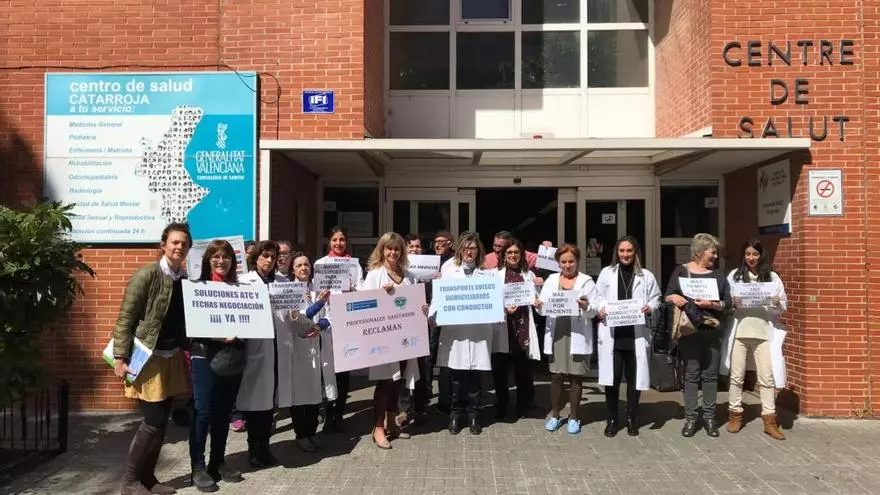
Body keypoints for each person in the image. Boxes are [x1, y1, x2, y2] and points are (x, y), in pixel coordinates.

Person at [113, 223, 192, 495]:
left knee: (161, 420)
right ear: (163, 245)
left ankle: (147, 478)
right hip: (147, 357)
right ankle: (130, 481)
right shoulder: (146, 274)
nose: (179, 246)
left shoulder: (184, 280)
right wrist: (120, 357)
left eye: (184, 243)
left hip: (171, 355)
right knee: (153, 420)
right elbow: (126, 316)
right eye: (174, 242)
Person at [188, 240, 245, 491]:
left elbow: (250, 322)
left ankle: (217, 462)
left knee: (223, 413)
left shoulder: (240, 290)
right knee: (203, 412)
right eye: (216, 257)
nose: (221, 261)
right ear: (208, 260)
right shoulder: (197, 288)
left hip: (230, 358)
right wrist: (216, 336)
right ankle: (197, 467)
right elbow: (191, 328)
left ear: (233, 261)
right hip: (204, 356)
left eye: (226, 257)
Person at [665, 233, 732, 438]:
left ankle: (710, 417)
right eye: (712, 252)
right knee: (691, 374)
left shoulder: (718, 275)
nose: (715, 256)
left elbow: (728, 303)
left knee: (710, 375)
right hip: (689, 331)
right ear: (699, 252)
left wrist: (712, 304)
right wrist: (674, 297)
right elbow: (667, 295)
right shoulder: (681, 271)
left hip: (712, 331)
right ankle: (691, 418)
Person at [363, 232, 425, 448]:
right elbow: (365, 305)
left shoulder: (409, 276)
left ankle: (391, 423)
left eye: (397, 249)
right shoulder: (374, 276)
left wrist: (422, 308)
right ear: (382, 250)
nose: (393, 252)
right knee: (385, 382)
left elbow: (415, 303)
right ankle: (378, 428)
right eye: (389, 248)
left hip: (405, 338)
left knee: (398, 381)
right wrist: (382, 296)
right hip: (383, 337)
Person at [432, 232, 498, 435]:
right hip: (456, 332)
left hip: (478, 332)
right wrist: (433, 315)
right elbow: (438, 298)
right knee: (456, 377)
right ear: (459, 250)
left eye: (473, 248)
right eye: (466, 248)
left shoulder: (488, 274)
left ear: (479, 251)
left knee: (475, 377)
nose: (469, 252)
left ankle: (473, 415)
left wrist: (499, 311)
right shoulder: (449, 270)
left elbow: (496, 301)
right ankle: (455, 415)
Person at [594, 236, 661, 437]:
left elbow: (656, 298)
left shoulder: (646, 276)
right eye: (622, 251)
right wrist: (600, 309)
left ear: (635, 252)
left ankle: (632, 418)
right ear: (617, 252)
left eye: (629, 251)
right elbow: (598, 297)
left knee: (634, 380)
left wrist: (650, 307)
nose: (625, 254)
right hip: (613, 336)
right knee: (612, 380)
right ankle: (612, 419)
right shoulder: (607, 273)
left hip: (635, 336)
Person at [723, 238, 788, 440]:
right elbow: (726, 304)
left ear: (761, 255)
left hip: (763, 333)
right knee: (736, 376)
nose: (751, 258)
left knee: (766, 378)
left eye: (755, 254)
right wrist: (732, 303)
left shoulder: (772, 277)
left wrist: (776, 303)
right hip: (740, 332)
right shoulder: (735, 276)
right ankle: (735, 414)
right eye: (748, 254)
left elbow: (782, 306)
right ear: (744, 255)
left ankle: (769, 419)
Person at [236, 240, 292, 468]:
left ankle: (265, 447)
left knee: (270, 403)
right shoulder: (243, 282)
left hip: (279, 347)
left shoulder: (283, 282)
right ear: (256, 258)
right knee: (255, 403)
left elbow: (292, 314)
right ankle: (254, 448)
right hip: (256, 348)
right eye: (264, 256)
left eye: (273, 256)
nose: (269, 260)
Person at [538, 243, 598, 435]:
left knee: (576, 376)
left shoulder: (587, 281)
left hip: (577, 333)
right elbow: (542, 308)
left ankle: (573, 417)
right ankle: (555, 415)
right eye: (563, 262)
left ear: (577, 261)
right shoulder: (551, 280)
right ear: (558, 263)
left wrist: (586, 307)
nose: (567, 265)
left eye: (571, 261)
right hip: (557, 332)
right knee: (556, 375)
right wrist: (538, 304)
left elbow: (595, 310)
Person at [314, 226, 364, 433]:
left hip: (347, 322)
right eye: (335, 240)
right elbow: (314, 294)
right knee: (326, 369)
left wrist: (352, 288)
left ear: (346, 242)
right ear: (329, 242)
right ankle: (326, 411)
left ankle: (338, 413)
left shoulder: (354, 264)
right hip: (327, 323)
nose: (338, 243)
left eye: (342, 239)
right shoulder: (321, 264)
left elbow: (362, 289)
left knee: (343, 371)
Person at [286, 251, 336, 451]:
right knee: (300, 395)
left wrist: (320, 326)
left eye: (306, 264)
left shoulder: (318, 289)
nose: (303, 268)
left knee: (315, 395)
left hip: (316, 346)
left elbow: (330, 314)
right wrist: (318, 304)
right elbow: (296, 318)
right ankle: (301, 435)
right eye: (299, 265)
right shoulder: (289, 291)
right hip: (298, 349)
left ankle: (312, 432)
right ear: (293, 270)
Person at [492, 237, 541, 419]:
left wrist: (538, 301)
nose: (513, 255)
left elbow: (539, 302)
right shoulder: (494, 275)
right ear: (503, 255)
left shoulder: (529, 275)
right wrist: (504, 309)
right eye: (509, 252)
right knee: (500, 369)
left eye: (516, 252)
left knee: (523, 369)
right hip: (503, 326)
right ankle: (502, 404)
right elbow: (490, 301)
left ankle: (522, 404)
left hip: (523, 326)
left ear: (521, 255)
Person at [397, 234, 431, 426]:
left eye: (418, 247)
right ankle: (403, 409)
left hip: (421, 325)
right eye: (411, 246)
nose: (414, 250)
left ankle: (420, 407)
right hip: (402, 326)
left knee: (421, 367)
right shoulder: (400, 271)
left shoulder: (431, 273)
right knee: (403, 367)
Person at [431, 230, 454, 414]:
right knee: (429, 356)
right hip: (431, 313)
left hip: (448, 315)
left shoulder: (455, 263)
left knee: (447, 357)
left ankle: (446, 399)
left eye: (442, 242)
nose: (438, 245)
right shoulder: (428, 262)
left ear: (450, 244)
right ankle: (425, 395)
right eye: (436, 242)